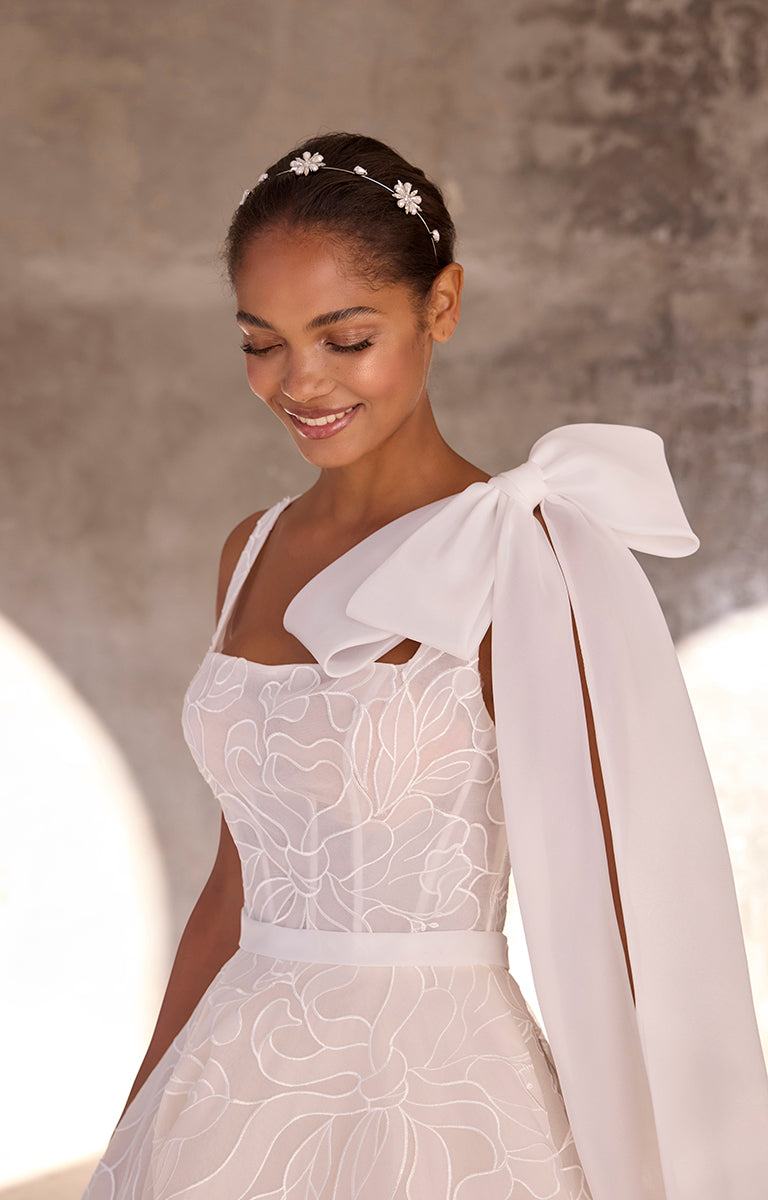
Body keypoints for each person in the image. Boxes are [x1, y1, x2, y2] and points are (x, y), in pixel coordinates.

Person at [82, 133, 768, 1200]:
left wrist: (687, 1167)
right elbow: (235, 884)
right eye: (262, 342)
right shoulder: (249, 549)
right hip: (228, 1093)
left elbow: (631, 903)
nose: (299, 382)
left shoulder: (523, 553)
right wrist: (142, 1111)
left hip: (441, 1104)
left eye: (345, 337)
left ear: (439, 306)